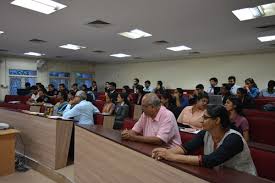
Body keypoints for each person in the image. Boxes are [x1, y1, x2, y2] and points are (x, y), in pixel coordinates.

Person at [152, 105, 257, 176]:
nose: (201, 121)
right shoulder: (206, 133)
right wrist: (165, 152)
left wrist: (172, 157)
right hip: (220, 176)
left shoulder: (234, 138)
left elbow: (210, 160)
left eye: (205, 118)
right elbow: (186, 148)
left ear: (217, 120)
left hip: (243, 178)